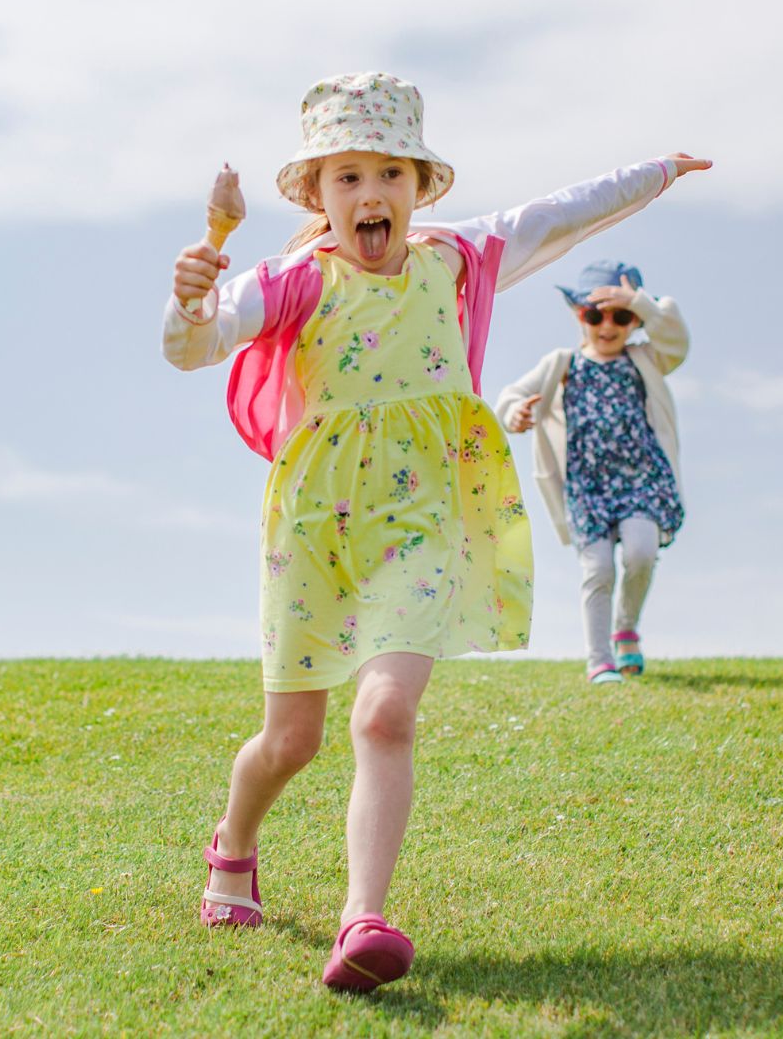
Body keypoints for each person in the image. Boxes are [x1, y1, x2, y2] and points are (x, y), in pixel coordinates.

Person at [163, 71, 710, 991]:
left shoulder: (457, 257)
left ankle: (361, 919)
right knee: (290, 741)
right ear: (318, 195)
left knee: (383, 712)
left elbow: (566, 212)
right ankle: (235, 843)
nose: (370, 193)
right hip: (315, 527)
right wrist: (190, 294)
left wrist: (658, 172)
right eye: (347, 177)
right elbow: (194, 348)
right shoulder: (293, 279)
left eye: (388, 173)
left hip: (426, 515)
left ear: (419, 186)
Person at [494, 260, 688, 684]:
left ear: (636, 320)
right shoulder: (562, 364)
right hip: (587, 487)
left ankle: (625, 629)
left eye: (622, 316)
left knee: (640, 553)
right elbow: (511, 395)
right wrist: (515, 414)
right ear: (577, 314)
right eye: (594, 314)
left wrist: (640, 301)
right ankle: (599, 659)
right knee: (597, 568)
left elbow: (677, 341)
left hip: (641, 480)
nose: (607, 325)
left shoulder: (647, 358)